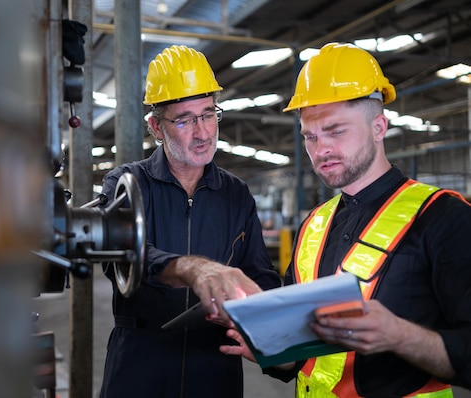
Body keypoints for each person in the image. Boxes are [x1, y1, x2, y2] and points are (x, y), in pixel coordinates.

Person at [220, 42, 471, 396]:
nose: (320, 149)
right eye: (310, 136)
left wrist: (400, 335)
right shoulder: (314, 225)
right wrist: (272, 349)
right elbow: (305, 353)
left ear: (379, 127)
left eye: (336, 130)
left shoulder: (445, 218)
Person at [98, 45, 281, 398]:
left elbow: (260, 275)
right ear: (156, 126)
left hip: (214, 370)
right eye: (184, 119)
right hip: (139, 366)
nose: (202, 132)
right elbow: (118, 253)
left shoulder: (236, 194)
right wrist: (191, 270)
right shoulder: (127, 184)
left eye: (208, 114)